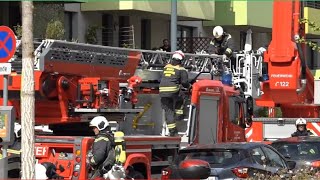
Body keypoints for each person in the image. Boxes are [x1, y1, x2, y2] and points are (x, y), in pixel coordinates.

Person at [159, 50, 191, 136]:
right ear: (181, 60)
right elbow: (184, 83)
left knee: (169, 111)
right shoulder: (181, 69)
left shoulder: (166, 67)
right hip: (173, 91)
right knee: (182, 96)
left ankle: (173, 131)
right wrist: (190, 87)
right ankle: (179, 115)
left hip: (162, 91)